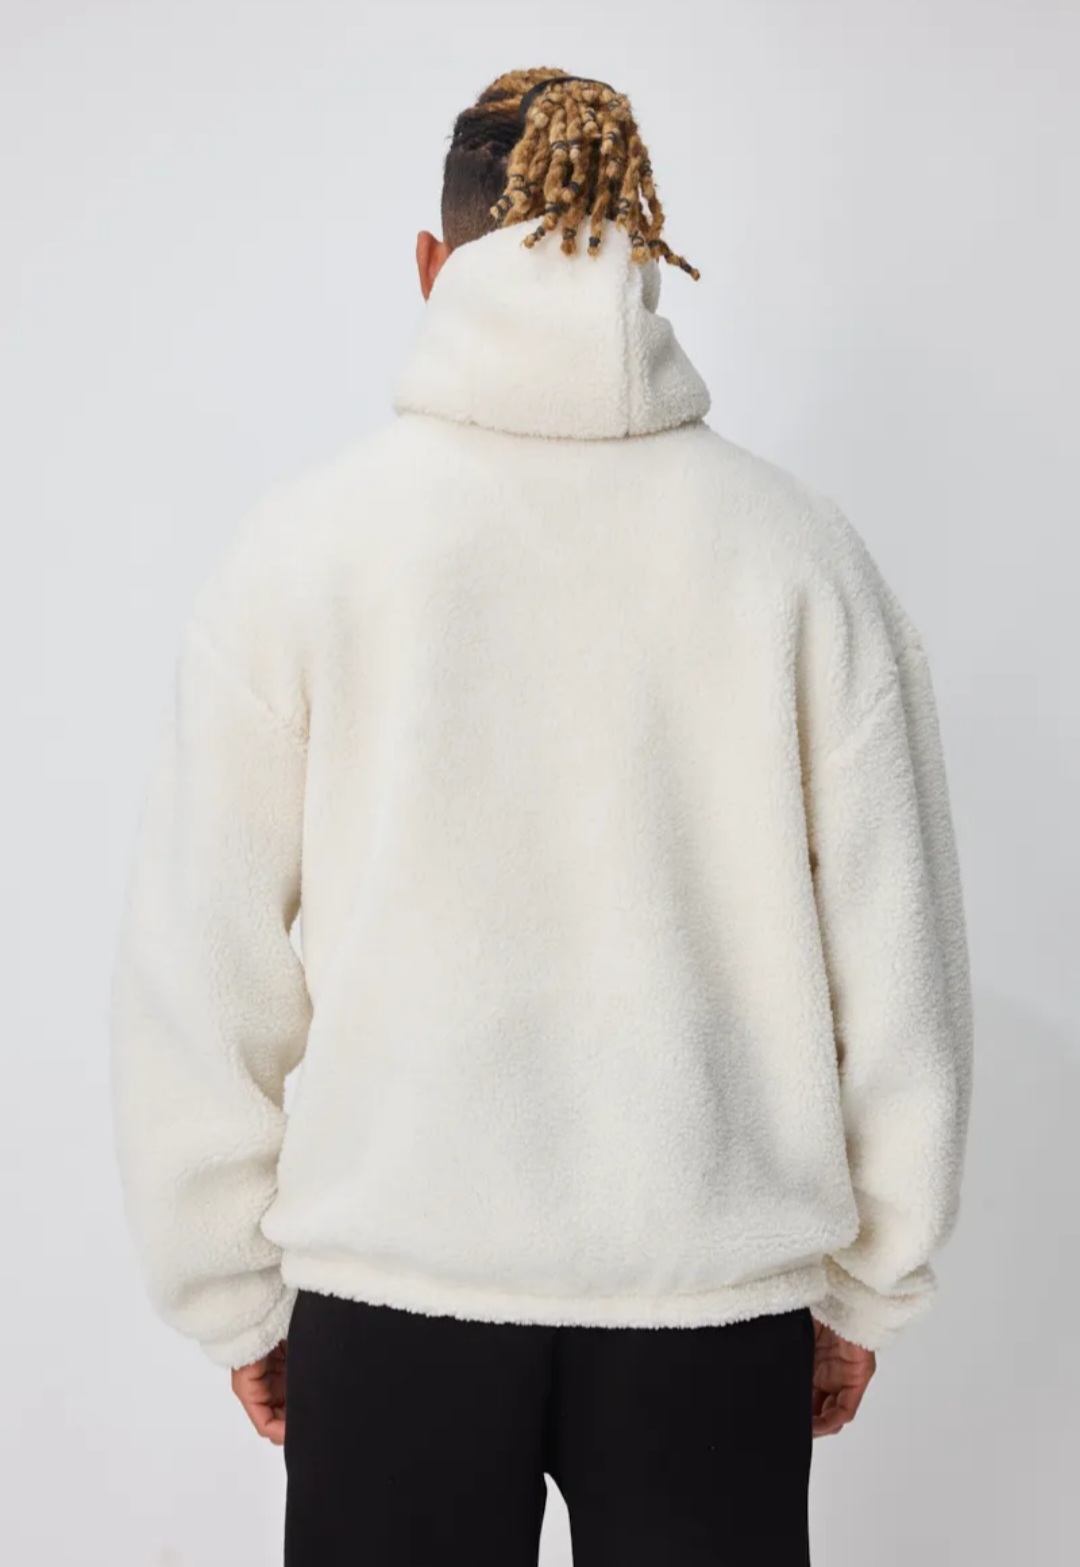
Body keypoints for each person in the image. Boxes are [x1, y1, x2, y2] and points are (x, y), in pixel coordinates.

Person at [108, 66, 974, 1567]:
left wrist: (233, 1293)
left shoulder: (307, 552)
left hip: (395, 1289)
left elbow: (200, 957)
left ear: (431, 265)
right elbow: (901, 961)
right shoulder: (799, 558)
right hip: (713, 1301)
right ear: (646, 255)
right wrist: (866, 1283)